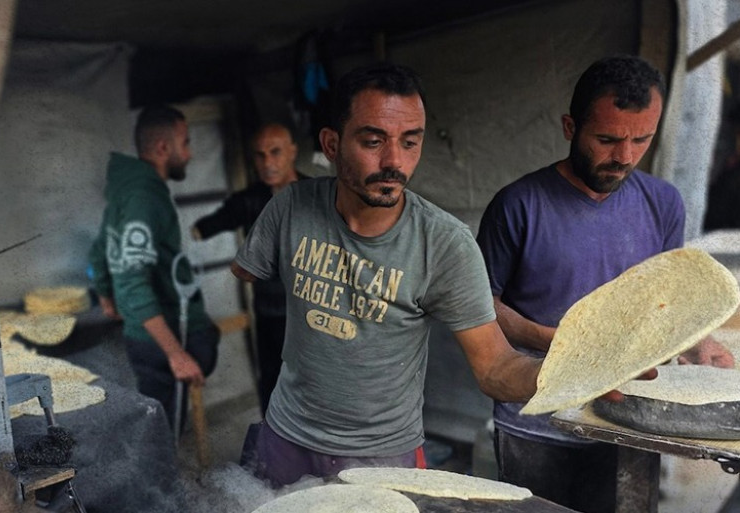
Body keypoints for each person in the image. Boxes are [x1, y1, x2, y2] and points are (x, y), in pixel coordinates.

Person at [231, 62, 543, 488]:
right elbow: (246, 270)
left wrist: (573, 377)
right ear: (331, 143)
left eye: (410, 142)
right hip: (285, 433)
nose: (395, 161)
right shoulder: (289, 207)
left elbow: (495, 367)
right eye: (373, 141)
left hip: (380, 454)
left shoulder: (444, 243)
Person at [476, 55, 735, 513]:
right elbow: (481, 305)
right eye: (608, 139)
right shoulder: (518, 205)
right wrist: (565, 346)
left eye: (642, 139)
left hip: (630, 417)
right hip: (539, 419)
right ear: (569, 126)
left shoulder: (663, 203)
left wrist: (698, 340)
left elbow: (667, 298)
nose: (626, 156)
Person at [88, 105, 220, 429]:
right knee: (165, 428)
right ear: (163, 148)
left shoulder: (126, 189)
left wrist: (106, 295)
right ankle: (164, 473)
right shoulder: (144, 196)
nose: (189, 154)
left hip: (140, 332)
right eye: (185, 143)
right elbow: (134, 281)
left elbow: (100, 250)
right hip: (164, 335)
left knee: (159, 418)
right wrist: (176, 354)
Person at [192, 123, 309, 415]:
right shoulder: (250, 200)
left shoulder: (317, 197)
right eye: (260, 155)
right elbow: (204, 227)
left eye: (275, 152)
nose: (268, 163)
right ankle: (275, 451)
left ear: (292, 152)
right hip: (269, 312)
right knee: (272, 384)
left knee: (313, 384)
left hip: (311, 313)